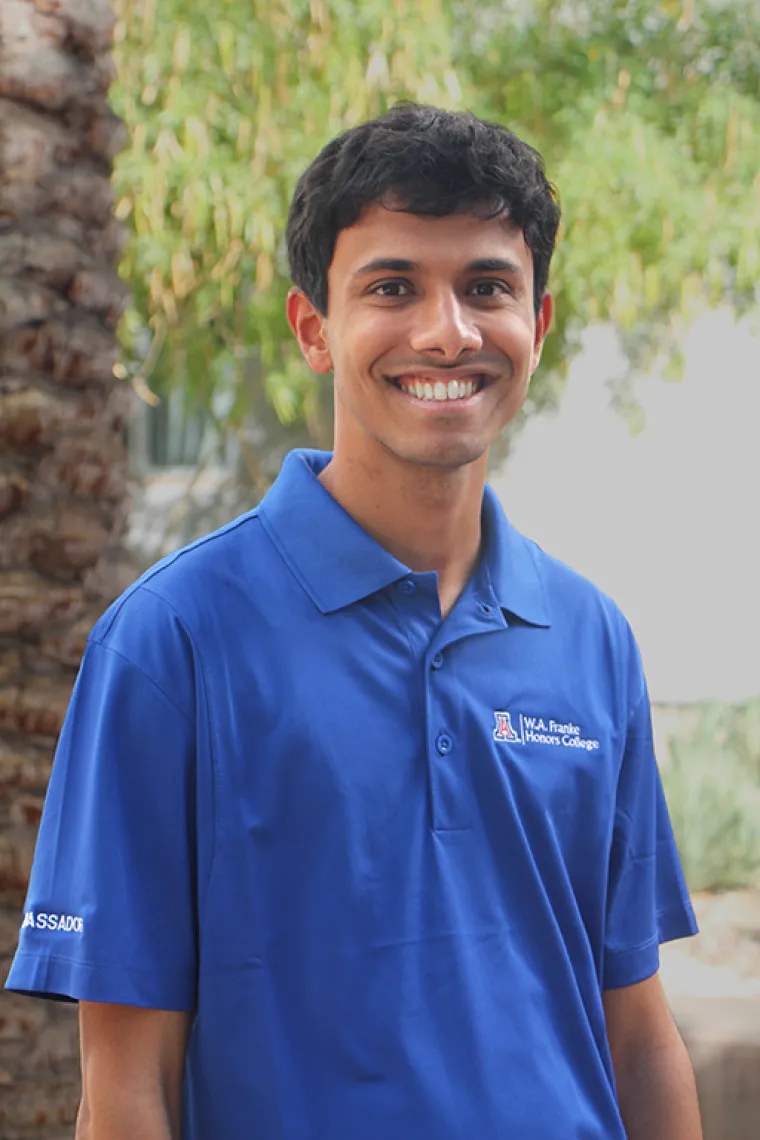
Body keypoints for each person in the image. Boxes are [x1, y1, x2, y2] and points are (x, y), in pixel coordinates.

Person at [6, 104, 702, 1139]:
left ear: (538, 326)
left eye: (486, 288)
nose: (446, 331)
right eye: (391, 287)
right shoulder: (171, 643)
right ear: (313, 329)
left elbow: (635, 1034)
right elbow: (123, 1088)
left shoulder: (591, 639)